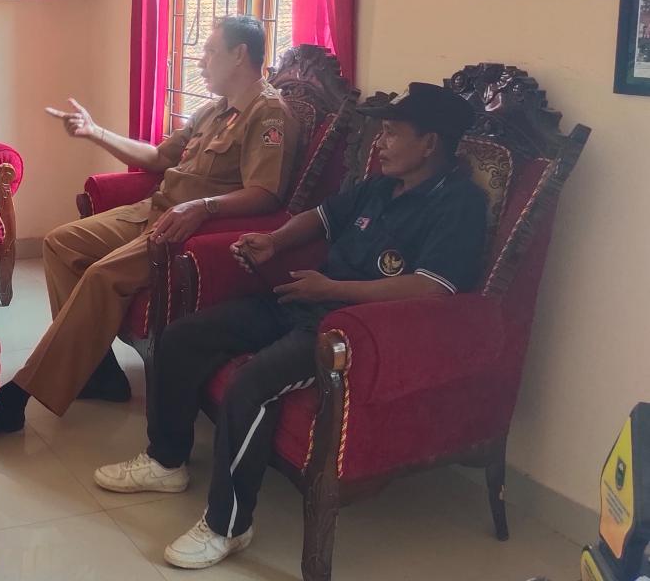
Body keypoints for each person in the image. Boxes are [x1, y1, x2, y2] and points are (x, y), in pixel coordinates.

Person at [92, 83, 487, 570]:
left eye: (392, 133)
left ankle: (228, 526)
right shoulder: (381, 185)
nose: (381, 143)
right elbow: (320, 218)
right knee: (183, 337)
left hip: (351, 331)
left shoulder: (459, 204)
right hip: (309, 298)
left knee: (250, 384)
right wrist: (273, 242)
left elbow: (433, 289)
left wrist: (333, 290)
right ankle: (166, 460)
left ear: (429, 143)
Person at [0, 15, 302, 434]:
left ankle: (21, 394)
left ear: (239, 54)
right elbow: (157, 158)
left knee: (102, 276)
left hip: (189, 231)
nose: (201, 60)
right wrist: (95, 132)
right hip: (155, 210)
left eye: (210, 51)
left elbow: (266, 194)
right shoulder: (215, 109)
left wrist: (204, 207)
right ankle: (98, 372)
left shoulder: (268, 115)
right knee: (62, 243)